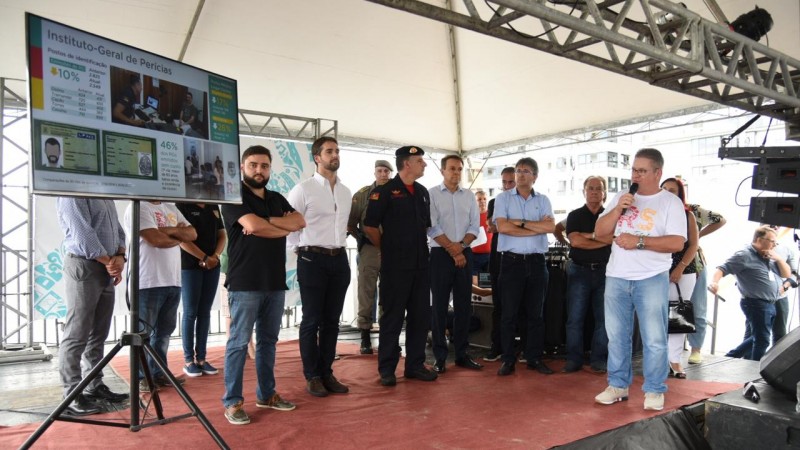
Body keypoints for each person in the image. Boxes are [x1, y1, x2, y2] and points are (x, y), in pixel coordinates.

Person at [593, 148, 686, 412]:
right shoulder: (622, 197)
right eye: (634, 170)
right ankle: (618, 385)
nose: (635, 175)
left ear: (658, 173)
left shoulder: (670, 202)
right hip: (616, 276)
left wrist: (640, 241)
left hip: (651, 278)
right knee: (616, 336)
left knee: (655, 338)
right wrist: (618, 210)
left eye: (642, 171)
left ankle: (655, 389)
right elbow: (599, 232)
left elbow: (677, 242)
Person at [220, 145, 305, 425]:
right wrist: (275, 226)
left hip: (274, 282)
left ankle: (266, 394)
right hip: (245, 282)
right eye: (254, 165)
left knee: (268, 342)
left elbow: (299, 221)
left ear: (270, 168)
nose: (259, 170)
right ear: (243, 167)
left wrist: (265, 222)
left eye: (264, 166)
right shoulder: (233, 197)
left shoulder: (277, 198)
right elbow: (253, 227)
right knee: (238, 343)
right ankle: (232, 402)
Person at [364, 145, 438, 386]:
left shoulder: (422, 192)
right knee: (392, 318)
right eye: (420, 161)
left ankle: (414, 365)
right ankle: (387, 369)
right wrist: (386, 248)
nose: (424, 165)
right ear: (407, 164)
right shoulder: (384, 192)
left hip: (420, 266)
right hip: (395, 267)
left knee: (419, 317)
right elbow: (370, 226)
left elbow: (425, 225)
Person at [287, 136, 352, 398]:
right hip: (312, 259)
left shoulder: (346, 192)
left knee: (332, 322)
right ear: (317, 157)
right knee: (312, 320)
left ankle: (326, 372)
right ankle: (312, 375)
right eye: (329, 151)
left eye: (337, 150)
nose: (334, 155)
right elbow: (291, 227)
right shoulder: (303, 189)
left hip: (339, 259)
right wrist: (302, 251)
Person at [56, 198, 129, 416]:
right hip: (85, 266)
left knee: (98, 333)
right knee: (77, 333)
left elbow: (118, 230)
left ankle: (94, 385)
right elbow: (83, 236)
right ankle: (71, 394)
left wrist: (120, 257)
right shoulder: (71, 193)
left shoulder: (103, 193)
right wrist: (110, 262)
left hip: (106, 267)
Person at [124, 201, 196, 392]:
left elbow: (192, 233)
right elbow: (155, 239)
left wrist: (167, 231)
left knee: (164, 333)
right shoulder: (139, 207)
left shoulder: (170, 207)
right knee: (143, 335)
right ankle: (142, 377)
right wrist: (178, 234)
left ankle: (158, 373)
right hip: (148, 281)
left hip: (172, 280)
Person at [493, 157, 555, 377]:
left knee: (536, 315)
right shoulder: (503, 198)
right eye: (518, 171)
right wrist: (535, 227)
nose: (519, 174)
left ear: (535, 176)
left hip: (537, 263)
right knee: (509, 314)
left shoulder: (544, 199)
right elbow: (502, 226)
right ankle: (508, 359)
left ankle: (534, 357)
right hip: (512, 262)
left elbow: (550, 226)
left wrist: (519, 222)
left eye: (525, 171)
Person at [428, 155, 482, 374]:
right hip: (440, 254)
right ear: (442, 171)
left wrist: (460, 247)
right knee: (439, 307)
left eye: (459, 169)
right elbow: (431, 226)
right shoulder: (431, 194)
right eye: (452, 169)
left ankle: (461, 354)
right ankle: (440, 357)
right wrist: (453, 248)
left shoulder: (469, 196)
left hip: (464, 252)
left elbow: (475, 226)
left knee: (463, 307)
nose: (456, 173)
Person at [713, 226, 792, 361]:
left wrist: (778, 259)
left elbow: (786, 274)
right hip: (756, 303)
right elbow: (722, 268)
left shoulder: (769, 255)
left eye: (775, 242)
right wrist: (715, 283)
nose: (774, 245)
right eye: (772, 241)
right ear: (759, 239)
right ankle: (755, 369)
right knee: (762, 340)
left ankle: (729, 358)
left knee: (758, 336)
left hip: (771, 303)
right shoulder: (744, 255)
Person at [562, 176, 612, 374]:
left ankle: (598, 359)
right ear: (584, 191)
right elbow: (576, 242)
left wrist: (588, 236)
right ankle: (574, 359)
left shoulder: (611, 216)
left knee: (604, 319)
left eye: (598, 188)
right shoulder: (574, 215)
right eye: (590, 188)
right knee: (575, 318)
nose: (594, 192)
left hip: (606, 271)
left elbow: (615, 239)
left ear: (604, 192)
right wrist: (602, 238)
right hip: (579, 271)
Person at [347, 159, 394, 354]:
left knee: (389, 292)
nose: (383, 174)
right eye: (380, 171)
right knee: (366, 292)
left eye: (386, 171)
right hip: (370, 249)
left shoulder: (396, 193)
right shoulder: (363, 194)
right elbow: (351, 223)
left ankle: (387, 336)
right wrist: (361, 240)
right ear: (375, 172)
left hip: (392, 250)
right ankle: (365, 336)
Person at [176, 203, 227, 377]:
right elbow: (182, 239)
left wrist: (214, 257)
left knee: (205, 312)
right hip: (190, 266)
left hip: (212, 265)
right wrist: (203, 257)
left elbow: (222, 234)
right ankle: (189, 360)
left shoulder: (213, 206)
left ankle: (202, 359)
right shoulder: (181, 206)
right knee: (191, 312)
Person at [660, 178, 699, 379]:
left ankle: (674, 360)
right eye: (664, 189)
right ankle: (660, 359)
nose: (667, 193)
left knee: (678, 315)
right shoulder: (654, 214)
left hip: (683, 270)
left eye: (672, 190)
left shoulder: (687, 214)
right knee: (657, 316)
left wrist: (680, 268)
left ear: (680, 194)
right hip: (656, 270)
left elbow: (693, 245)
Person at [685, 203, 726, 364]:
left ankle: (696, 349)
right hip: (664, 262)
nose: (669, 193)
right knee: (669, 308)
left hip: (695, 264)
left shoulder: (692, 209)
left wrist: (698, 235)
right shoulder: (658, 207)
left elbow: (720, 220)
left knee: (697, 307)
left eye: (673, 190)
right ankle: (669, 350)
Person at [482, 167, 516, 362]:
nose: (506, 185)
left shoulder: (523, 202)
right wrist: (518, 225)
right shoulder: (495, 201)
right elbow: (492, 226)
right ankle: (497, 346)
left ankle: (515, 346)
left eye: (510, 182)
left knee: (517, 307)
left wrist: (506, 225)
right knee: (499, 306)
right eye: (504, 182)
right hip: (496, 259)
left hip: (517, 259)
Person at [472, 191, 492, 275]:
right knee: (476, 284)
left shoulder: (492, 216)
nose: (482, 201)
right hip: (474, 256)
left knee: (487, 283)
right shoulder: (471, 216)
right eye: (479, 199)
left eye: (484, 199)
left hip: (489, 255)